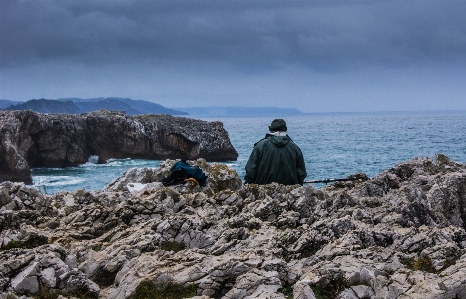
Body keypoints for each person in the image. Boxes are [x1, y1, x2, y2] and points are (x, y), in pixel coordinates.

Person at [244, 119, 307, 185]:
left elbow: (251, 171)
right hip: (289, 192)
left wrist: (248, 187)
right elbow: (301, 173)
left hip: (264, 191)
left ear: (271, 130)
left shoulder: (260, 146)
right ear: (285, 130)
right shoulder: (295, 148)